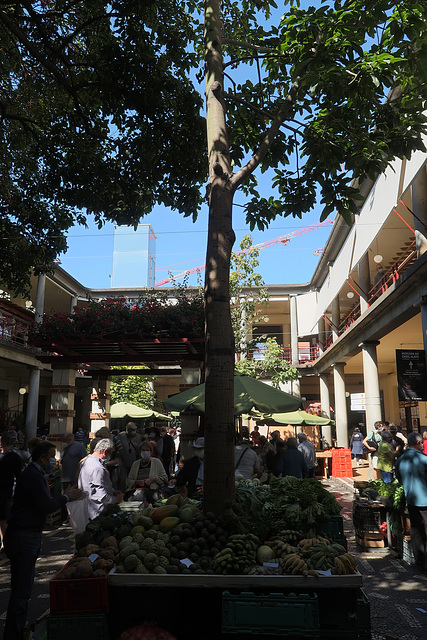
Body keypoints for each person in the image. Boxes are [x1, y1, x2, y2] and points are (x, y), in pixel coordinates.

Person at [3, 441, 82, 640]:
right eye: (52, 456)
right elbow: (46, 505)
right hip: (24, 537)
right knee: (22, 590)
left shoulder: (33, 473)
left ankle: (15, 631)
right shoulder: (32, 475)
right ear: (42, 458)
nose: (54, 460)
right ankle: (14, 634)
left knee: (21, 588)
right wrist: (66, 497)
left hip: (24, 535)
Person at [395, 432, 427, 573]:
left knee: (416, 530)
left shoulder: (401, 460)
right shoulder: (423, 459)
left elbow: (400, 479)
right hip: (425, 500)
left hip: (412, 499)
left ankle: (420, 562)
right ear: (419, 443)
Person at [77, 438, 124, 520]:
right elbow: (101, 495)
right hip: (96, 511)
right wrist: (115, 499)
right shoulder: (98, 468)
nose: (110, 457)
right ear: (105, 451)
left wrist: (112, 491)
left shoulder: (87, 462)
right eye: (111, 453)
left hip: (87, 508)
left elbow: (97, 486)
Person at [0, 433, 23, 550]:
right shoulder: (14, 457)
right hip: (6, 491)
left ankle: (6, 542)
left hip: (5, 492)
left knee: (4, 518)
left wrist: (14, 496)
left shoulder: (12, 458)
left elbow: (19, 477)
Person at [115, 422, 141, 492]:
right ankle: (122, 492)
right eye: (131, 429)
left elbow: (139, 448)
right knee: (122, 479)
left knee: (133, 478)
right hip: (123, 461)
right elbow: (117, 447)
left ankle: (131, 491)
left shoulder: (138, 437)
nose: (133, 431)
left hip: (134, 460)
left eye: (134, 429)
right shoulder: (121, 436)